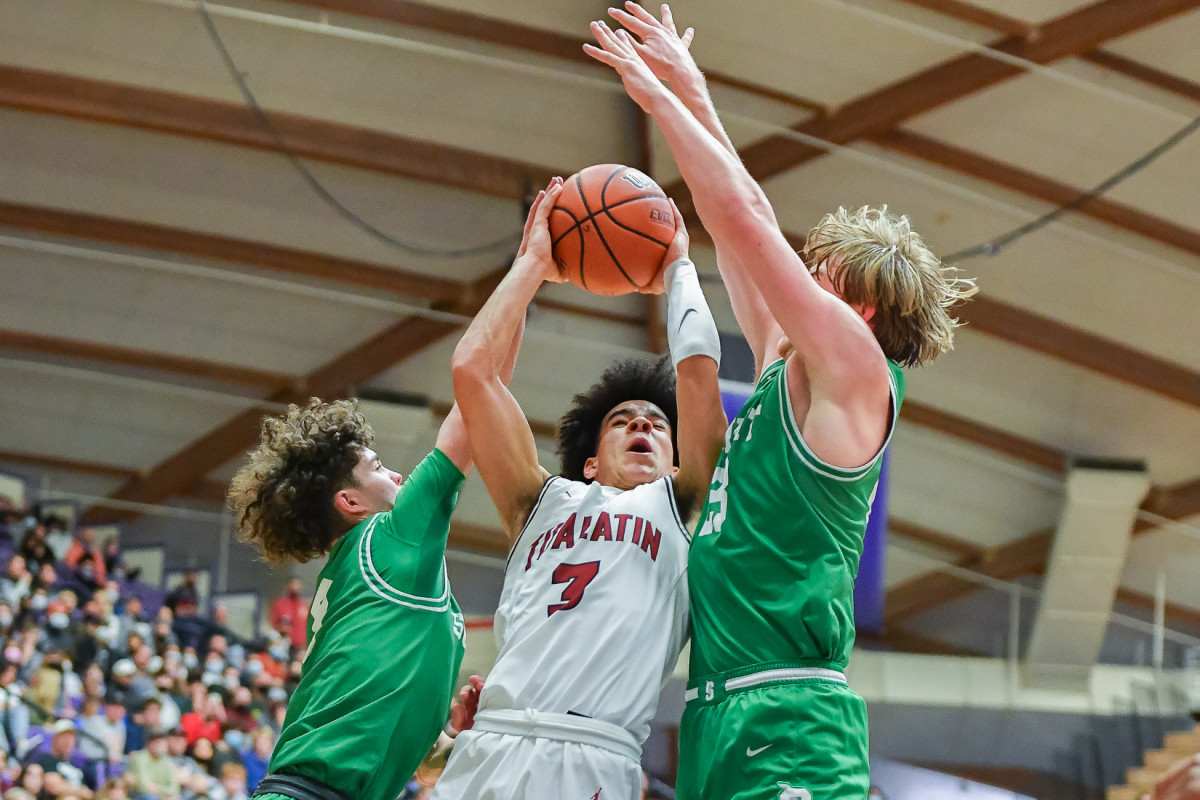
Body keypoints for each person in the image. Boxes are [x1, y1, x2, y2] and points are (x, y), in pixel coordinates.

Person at [587, 6, 979, 798]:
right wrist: (695, 91)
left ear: (862, 313)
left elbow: (743, 218)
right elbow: (743, 230)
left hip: (790, 711)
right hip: (715, 708)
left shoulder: (858, 375)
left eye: (823, 275)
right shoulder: (785, 364)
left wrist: (661, 100)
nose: (803, 275)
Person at [430, 178, 725, 800]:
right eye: (623, 421)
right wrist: (533, 263)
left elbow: (699, 372)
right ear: (588, 463)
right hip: (492, 744)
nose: (643, 424)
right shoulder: (539, 500)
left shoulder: (682, 503)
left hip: (597, 756)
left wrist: (678, 268)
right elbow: (471, 371)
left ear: (677, 461)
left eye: (657, 424)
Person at [226, 336, 521, 800]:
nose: (399, 476)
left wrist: (458, 740)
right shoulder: (381, 541)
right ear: (350, 502)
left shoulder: (362, 587)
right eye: (380, 467)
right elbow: (479, 394)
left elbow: (426, 767)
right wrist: (528, 273)